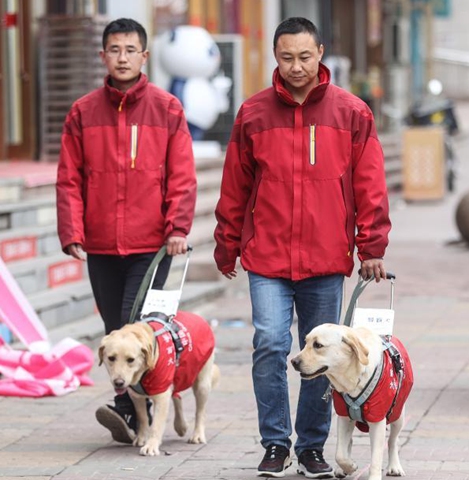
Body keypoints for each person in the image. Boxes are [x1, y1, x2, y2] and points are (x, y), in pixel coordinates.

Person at [213, 17, 391, 478]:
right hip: (266, 254)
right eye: (287, 57)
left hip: (325, 256)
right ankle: (275, 443)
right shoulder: (253, 114)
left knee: (323, 355)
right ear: (276, 56)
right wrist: (226, 242)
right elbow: (234, 185)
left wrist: (371, 244)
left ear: (321, 54)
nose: (296, 66)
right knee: (270, 342)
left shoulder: (352, 113)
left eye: (305, 57)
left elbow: (370, 183)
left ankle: (312, 447)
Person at [56, 18, 196, 443]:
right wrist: (72, 230)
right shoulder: (83, 111)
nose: (122, 57)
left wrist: (177, 226)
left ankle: (131, 411)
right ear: (103, 56)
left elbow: (181, 175)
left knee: (135, 326)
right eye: (114, 50)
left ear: (144, 57)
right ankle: (140, 408)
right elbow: (69, 178)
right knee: (114, 327)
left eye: (129, 50)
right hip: (100, 243)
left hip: (151, 243)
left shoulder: (167, 108)